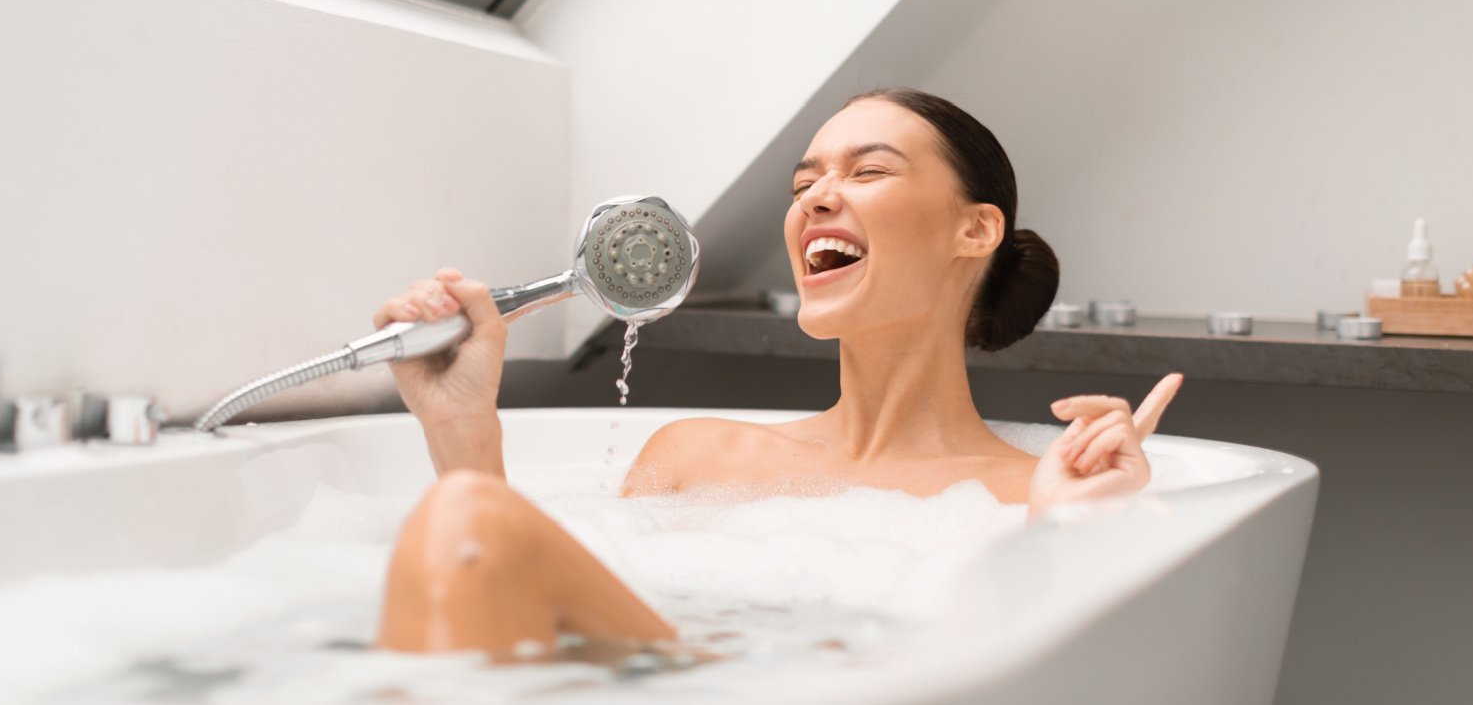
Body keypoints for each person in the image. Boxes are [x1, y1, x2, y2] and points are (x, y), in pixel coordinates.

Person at [371, 87, 1182, 657]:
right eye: (804, 184)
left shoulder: (1030, 496)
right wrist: (462, 427)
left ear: (975, 230)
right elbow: (549, 630)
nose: (817, 198)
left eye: (866, 172)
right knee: (469, 516)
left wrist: (1072, 534)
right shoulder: (693, 458)